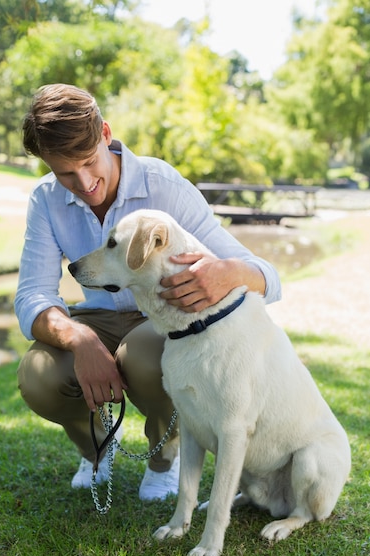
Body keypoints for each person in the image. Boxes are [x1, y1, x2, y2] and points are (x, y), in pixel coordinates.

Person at [15, 83, 282, 502]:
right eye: (65, 172)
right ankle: (97, 448)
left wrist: (227, 273)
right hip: (96, 318)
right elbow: (32, 296)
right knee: (39, 377)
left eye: (88, 162)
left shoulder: (163, 185)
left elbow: (269, 279)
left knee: (141, 357)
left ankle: (164, 460)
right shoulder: (46, 201)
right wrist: (80, 339)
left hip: (162, 321)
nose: (84, 182)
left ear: (105, 134)